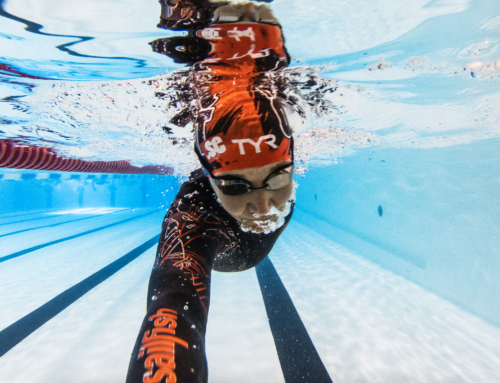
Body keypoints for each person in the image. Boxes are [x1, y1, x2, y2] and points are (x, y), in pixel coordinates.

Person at [126, 2, 293, 382]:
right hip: (224, 256)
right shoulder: (193, 216)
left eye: (278, 178)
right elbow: (172, 305)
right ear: (211, 179)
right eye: (235, 185)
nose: (263, 205)